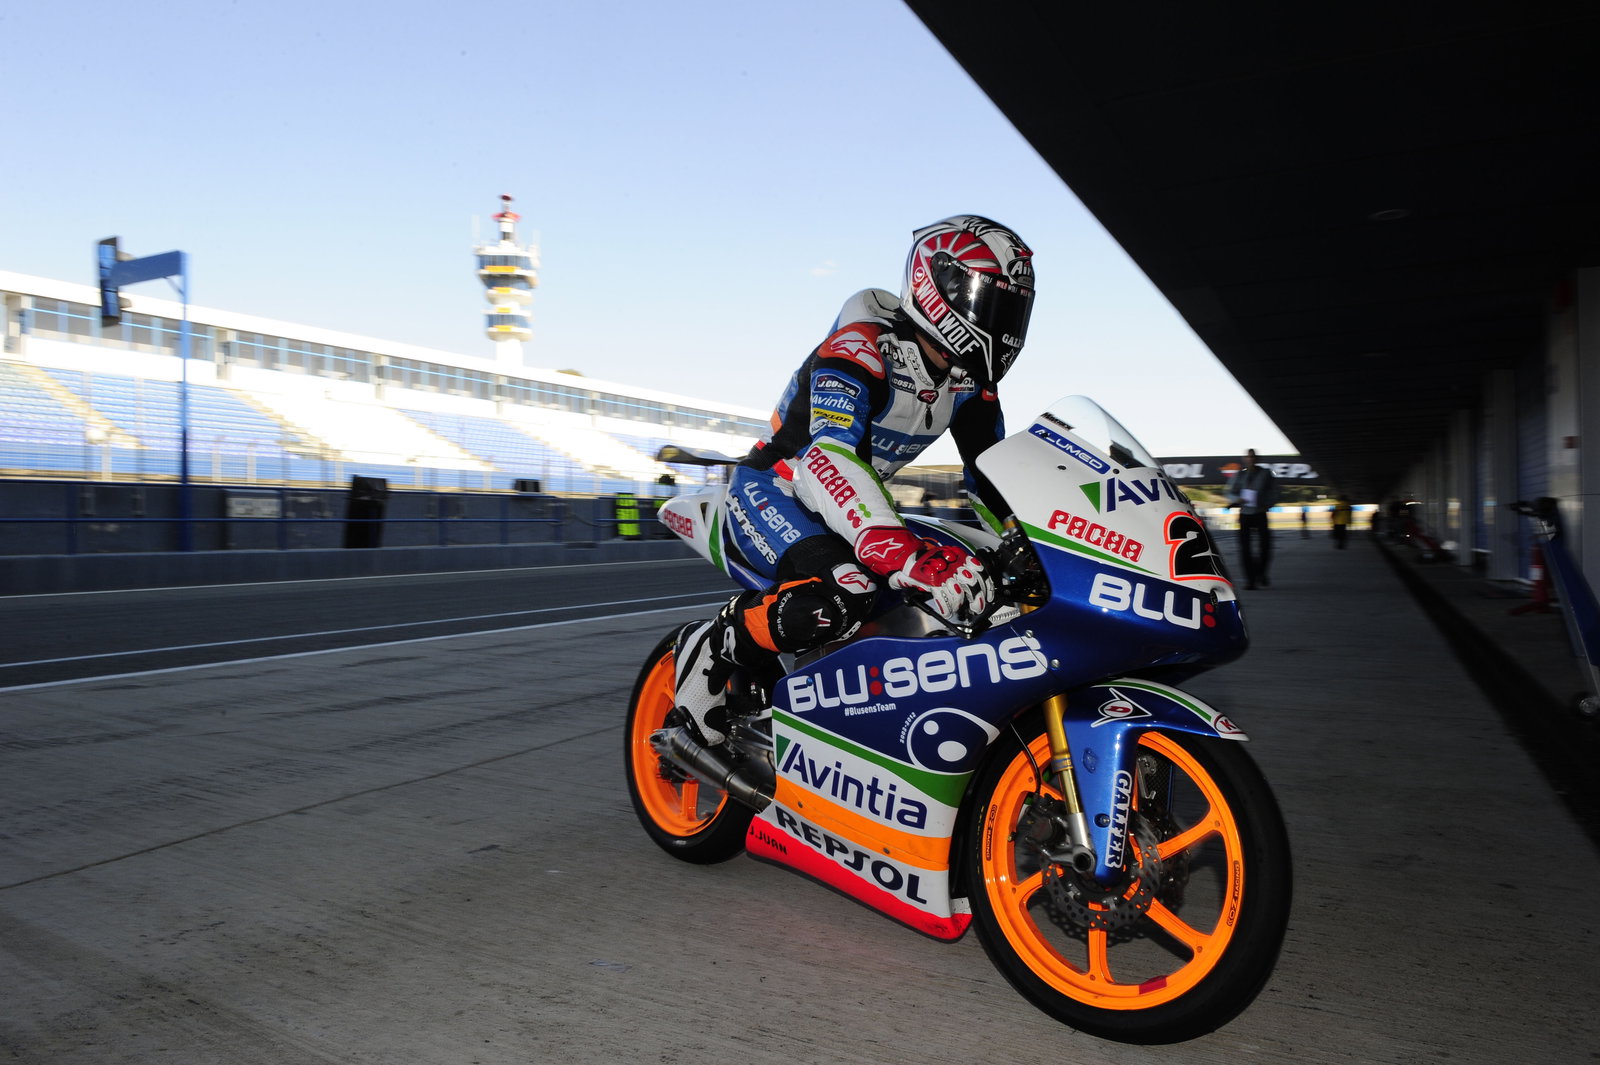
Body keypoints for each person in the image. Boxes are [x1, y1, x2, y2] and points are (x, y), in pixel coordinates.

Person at [673, 215, 1035, 747]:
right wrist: (903, 553)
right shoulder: (863, 347)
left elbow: (989, 474)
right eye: (994, 304)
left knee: (971, 586)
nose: (1005, 325)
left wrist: (1029, 539)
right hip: (776, 489)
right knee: (848, 590)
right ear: (942, 288)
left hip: (856, 503)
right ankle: (710, 646)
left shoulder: (969, 383)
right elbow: (828, 457)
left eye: (1014, 310)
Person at [1227, 449, 1278, 589]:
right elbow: (1229, 491)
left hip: (1260, 513)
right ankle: (1250, 580)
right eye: (1248, 457)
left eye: (1253, 456)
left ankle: (1261, 572)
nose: (1251, 459)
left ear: (1257, 459)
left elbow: (1275, 491)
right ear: (1245, 459)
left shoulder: (1266, 474)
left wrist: (1267, 505)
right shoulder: (1240, 475)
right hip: (1245, 514)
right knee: (1244, 548)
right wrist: (1236, 499)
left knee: (1266, 546)